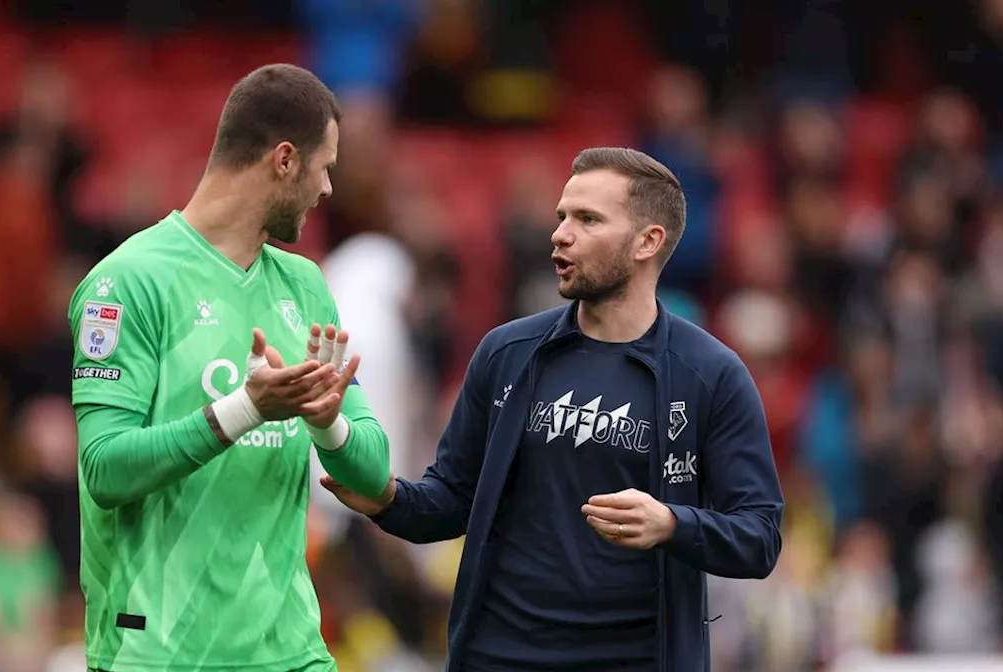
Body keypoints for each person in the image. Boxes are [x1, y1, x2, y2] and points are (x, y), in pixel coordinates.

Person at [322, 147, 785, 671]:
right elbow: (451, 501)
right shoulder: (504, 354)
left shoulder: (712, 375)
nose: (560, 233)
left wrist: (672, 523)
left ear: (647, 242)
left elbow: (759, 538)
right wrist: (385, 497)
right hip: (500, 658)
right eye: (562, 216)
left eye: (587, 219)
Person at [69, 64, 391, 672]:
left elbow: (374, 473)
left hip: (292, 651)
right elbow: (104, 467)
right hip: (157, 652)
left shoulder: (305, 284)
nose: (328, 190)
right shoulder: (128, 283)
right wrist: (245, 409)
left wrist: (328, 424)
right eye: (325, 168)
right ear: (285, 160)